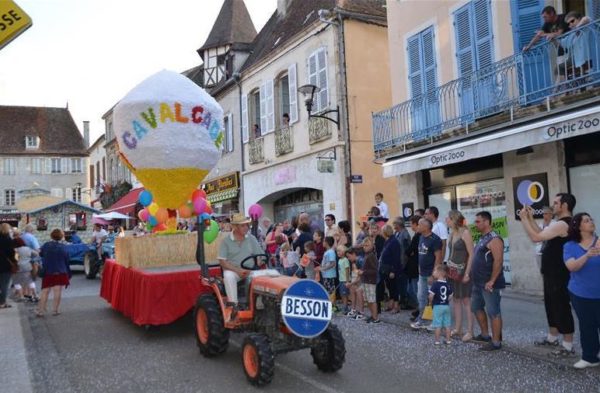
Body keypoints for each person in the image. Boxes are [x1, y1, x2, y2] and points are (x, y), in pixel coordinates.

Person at [520, 193, 576, 357]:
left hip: (559, 272)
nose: (553, 205)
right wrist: (530, 218)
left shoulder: (563, 224)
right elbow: (542, 232)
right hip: (551, 271)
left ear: (564, 205)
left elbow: (536, 237)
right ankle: (552, 337)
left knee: (561, 305)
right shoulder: (557, 224)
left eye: (556, 203)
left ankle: (567, 345)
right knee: (551, 305)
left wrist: (523, 219)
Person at [563, 213, 600, 369]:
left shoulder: (599, 242)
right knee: (587, 325)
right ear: (578, 227)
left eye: (591, 219)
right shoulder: (570, 246)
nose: (591, 222)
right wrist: (587, 255)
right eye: (586, 220)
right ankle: (590, 357)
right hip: (581, 293)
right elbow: (571, 266)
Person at [217, 213, 264, 320]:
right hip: (234, 270)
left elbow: (260, 255)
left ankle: (259, 306)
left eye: (247, 225)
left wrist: (259, 261)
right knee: (228, 276)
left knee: (266, 277)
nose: (246, 228)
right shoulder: (226, 241)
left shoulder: (251, 239)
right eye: (243, 225)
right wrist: (238, 271)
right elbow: (222, 261)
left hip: (250, 269)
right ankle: (234, 306)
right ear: (236, 227)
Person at [471, 211, 505, 351]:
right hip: (477, 282)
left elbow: (498, 261)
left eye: (478, 221)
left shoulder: (495, 239)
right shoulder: (482, 238)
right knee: (476, 307)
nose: (475, 224)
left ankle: (496, 342)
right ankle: (485, 335)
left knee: (493, 312)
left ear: (486, 222)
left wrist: (492, 280)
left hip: (489, 283)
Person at [446, 210, 475, 342]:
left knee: (466, 301)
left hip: (463, 271)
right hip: (453, 271)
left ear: (454, 219)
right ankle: (458, 328)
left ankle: (470, 331)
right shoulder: (452, 233)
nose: (446, 220)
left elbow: (471, 254)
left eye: (448, 218)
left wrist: (467, 273)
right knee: (456, 299)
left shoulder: (465, 233)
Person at [411, 218, 442, 330]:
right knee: (421, 297)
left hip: (431, 273)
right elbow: (421, 254)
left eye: (419, 225)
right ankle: (422, 319)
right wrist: (419, 267)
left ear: (426, 227)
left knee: (433, 298)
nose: (417, 226)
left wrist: (434, 273)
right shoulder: (420, 238)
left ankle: (436, 322)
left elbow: (438, 257)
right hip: (422, 273)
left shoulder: (435, 239)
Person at [37, 229, 71, 317]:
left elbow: (40, 254)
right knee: (57, 290)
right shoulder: (64, 247)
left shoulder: (46, 245)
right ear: (61, 237)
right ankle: (55, 310)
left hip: (48, 270)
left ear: (51, 236)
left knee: (45, 291)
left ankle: (40, 311)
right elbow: (67, 260)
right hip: (60, 271)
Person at [379, 225, 403, 313]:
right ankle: (391, 302)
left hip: (392, 268)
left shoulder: (394, 242)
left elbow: (396, 258)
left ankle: (396, 306)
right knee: (389, 286)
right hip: (386, 268)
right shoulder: (388, 241)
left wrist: (393, 271)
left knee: (394, 287)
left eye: (382, 231)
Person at [429, 265, 454, 346]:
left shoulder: (435, 284)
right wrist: (446, 300)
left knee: (437, 324)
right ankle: (448, 340)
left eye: (435, 271)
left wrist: (430, 301)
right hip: (446, 306)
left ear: (440, 273)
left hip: (437, 306)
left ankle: (437, 341)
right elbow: (451, 295)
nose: (433, 273)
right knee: (447, 324)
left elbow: (431, 296)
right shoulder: (448, 284)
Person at [392, 217, 411, 309]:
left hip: (403, 262)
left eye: (394, 224)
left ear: (398, 225)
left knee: (403, 283)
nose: (393, 226)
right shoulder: (396, 233)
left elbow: (407, 250)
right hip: (397, 262)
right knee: (398, 283)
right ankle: (401, 300)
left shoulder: (405, 234)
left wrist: (405, 261)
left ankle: (405, 301)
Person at [12, 238, 39, 303]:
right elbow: (36, 254)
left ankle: (21, 296)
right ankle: (35, 295)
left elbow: (14, 259)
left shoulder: (15, 250)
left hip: (17, 267)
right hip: (27, 267)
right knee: (30, 281)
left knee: (16, 281)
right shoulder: (27, 248)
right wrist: (29, 258)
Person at [361, 237, 380, 324]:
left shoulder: (372, 256)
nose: (365, 247)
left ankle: (375, 317)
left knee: (372, 300)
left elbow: (375, 270)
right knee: (368, 300)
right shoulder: (366, 255)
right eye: (364, 245)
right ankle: (372, 315)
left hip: (370, 281)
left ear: (372, 246)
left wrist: (363, 272)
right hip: (365, 280)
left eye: (367, 245)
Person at [407, 216, 421, 317]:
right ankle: (418, 308)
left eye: (411, 223)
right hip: (412, 266)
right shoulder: (416, 235)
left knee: (415, 290)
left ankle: (420, 310)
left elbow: (410, 250)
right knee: (411, 289)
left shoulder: (418, 236)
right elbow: (409, 251)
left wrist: (410, 252)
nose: (410, 226)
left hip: (416, 266)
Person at [0, 223, 16, 309]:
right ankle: (2, 303)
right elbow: (12, 254)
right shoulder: (9, 240)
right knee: (4, 285)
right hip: (6, 265)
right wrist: (14, 262)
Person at [345, 247, 364, 319]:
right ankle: (353, 309)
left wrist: (351, 283)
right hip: (361, 280)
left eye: (349, 256)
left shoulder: (360, 260)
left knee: (358, 291)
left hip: (366, 281)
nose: (348, 259)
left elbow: (360, 277)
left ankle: (361, 312)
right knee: (352, 288)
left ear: (353, 254)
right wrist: (351, 284)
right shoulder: (355, 261)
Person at [337, 245, 350, 314]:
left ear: (343, 252)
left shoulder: (345, 260)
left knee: (345, 294)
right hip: (340, 279)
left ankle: (345, 308)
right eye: (337, 251)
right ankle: (345, 306)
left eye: (339, 251)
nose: (338, 252)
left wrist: (347, 281)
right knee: (342, 294)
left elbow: (347, 270)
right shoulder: (339, 260)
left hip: (344, 280)